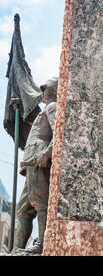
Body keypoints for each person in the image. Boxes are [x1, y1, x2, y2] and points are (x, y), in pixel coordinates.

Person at [12, 77, 58, 254]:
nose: (42, 91)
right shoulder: (46, 109)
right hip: (31, 161)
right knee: (23, 209)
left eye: (45, 88)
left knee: (40, 203)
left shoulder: (53, 107)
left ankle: (41, 245)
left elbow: (58, 132)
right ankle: (17, 249)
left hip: (38, 160)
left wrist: (47, 153)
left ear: (53, 90)